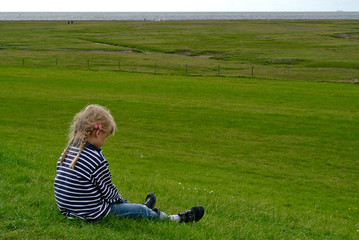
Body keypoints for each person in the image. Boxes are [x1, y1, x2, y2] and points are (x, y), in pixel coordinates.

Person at [54, 104, 204, 223]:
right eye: (106, 136)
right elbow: (108, 192)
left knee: (128, 207)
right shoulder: (95, 159)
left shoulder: (68, 151)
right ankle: (174, 219)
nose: (105, 141)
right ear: (98, 133)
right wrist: (122, 203)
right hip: (91, 213)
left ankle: (139, 208)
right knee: (140, 211)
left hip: (68, 209)